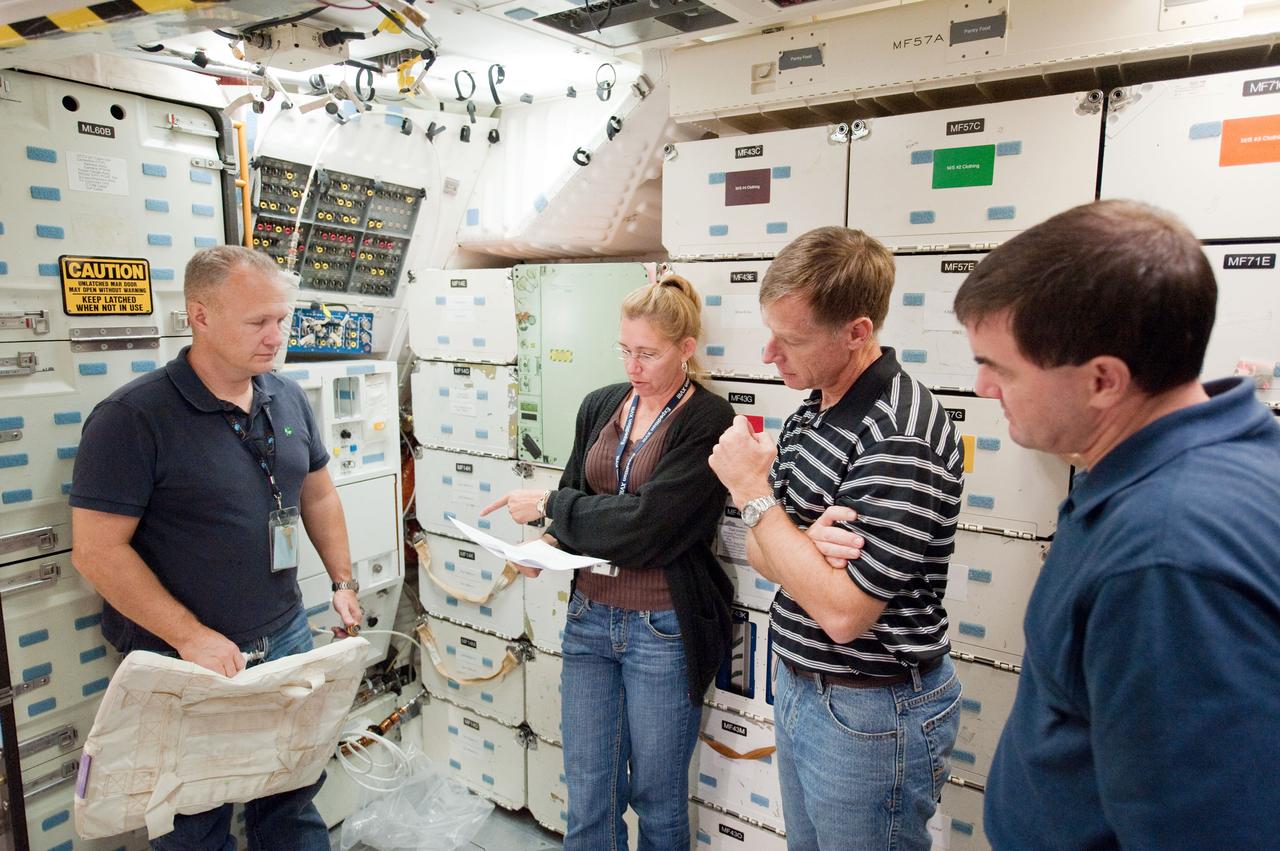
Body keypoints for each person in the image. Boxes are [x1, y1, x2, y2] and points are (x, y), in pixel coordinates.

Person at [952, 199, 1280, 849]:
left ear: (1103, 380)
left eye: (1001, 367)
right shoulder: (1213, 453)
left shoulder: (1164, 558)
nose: (984, 388)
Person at [69, 245, 362, 851]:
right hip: (180, 658)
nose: (276, 335)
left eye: (281, 319)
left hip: (283, 636)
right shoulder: (131, 417)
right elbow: (97, 552)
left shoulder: (284, 395)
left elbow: (318, 496)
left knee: (290, 794)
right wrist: (189, 636)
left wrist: (343, 581)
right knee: (191, 823)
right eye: (258, 322)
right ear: (199, 317)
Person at [709, 226, 965, 851]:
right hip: (804, 688)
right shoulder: (812, 411)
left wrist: (751, 492)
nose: (770, 354)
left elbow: (844, 612)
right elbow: (770, 561)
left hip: (872, 711)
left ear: (857, 332)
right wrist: (798, 544)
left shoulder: (899, 434)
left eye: (791, 339)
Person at [482, 276, 735, 850]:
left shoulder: (706, 420)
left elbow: (649, 528)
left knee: (659, 798)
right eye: (626, 350)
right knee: (590, 792)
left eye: (648, 353)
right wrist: (543, 547)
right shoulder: (600, 404)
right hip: (590, 621)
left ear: (686, 348)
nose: (634, 365)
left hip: (662, 629)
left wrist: (552, 506)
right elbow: (579, 497)